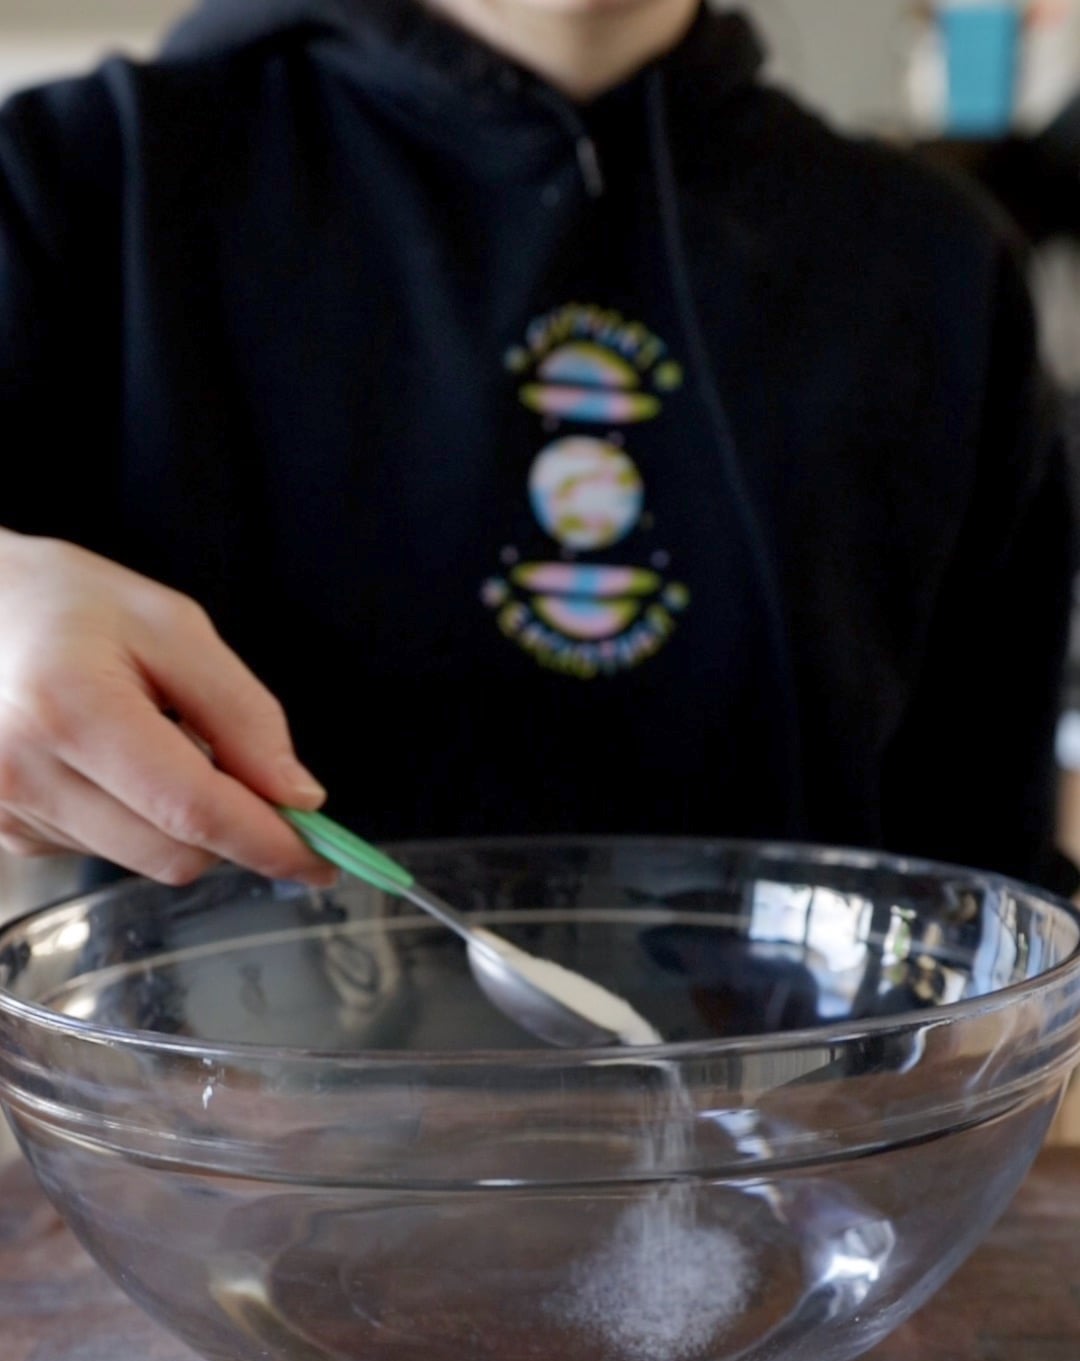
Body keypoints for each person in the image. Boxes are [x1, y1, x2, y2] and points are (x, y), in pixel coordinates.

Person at [0, 0, 1072, 894]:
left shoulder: (939, 270)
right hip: (218, 1128)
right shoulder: (74, 184)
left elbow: (982, 885)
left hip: (794, 1136)